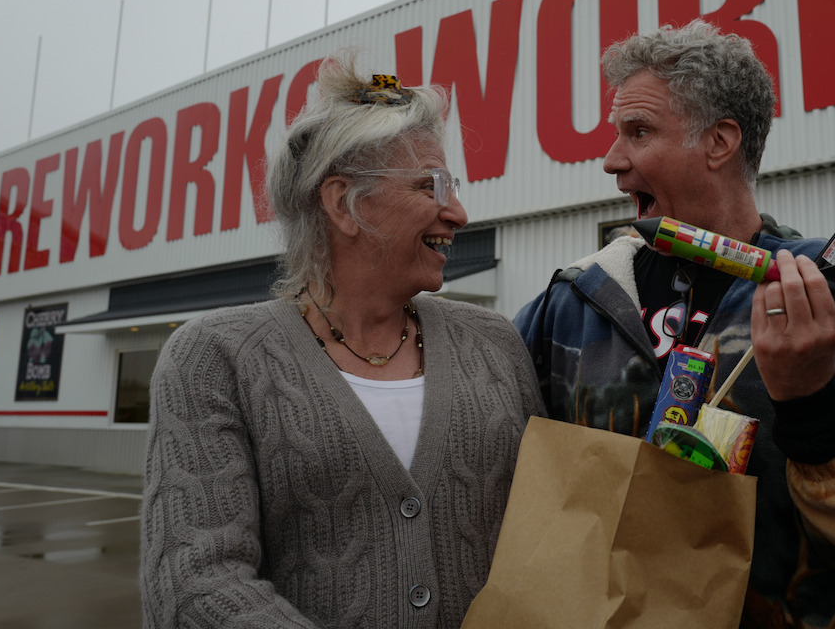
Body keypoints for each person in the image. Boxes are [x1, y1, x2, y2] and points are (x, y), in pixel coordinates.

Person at [514, 20, 835, 628]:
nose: (611, 160)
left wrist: (818, 412)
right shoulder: (569, 306)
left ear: (720, 141)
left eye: (640, 132)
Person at [140, 52, 544, 628]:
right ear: (343, 203)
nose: (457, 211)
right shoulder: (214, 358)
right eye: (433, 185)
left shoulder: (496, 344)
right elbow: (196, 586)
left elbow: (547, 531)